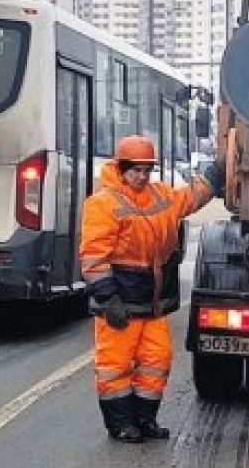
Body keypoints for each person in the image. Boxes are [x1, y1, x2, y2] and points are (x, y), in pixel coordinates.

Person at [79, 135, 225, 443]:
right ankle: (121, 425)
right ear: (121, 168)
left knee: (157, 361)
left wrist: (217, 174)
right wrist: (108, 299)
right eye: (136, 171)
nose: (142, 177)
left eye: (147, 170)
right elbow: (94, 256)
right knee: (115, 367)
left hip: (152, 304)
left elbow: (190, 198)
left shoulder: (160, 195)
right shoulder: (103, 203)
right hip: (120, 303)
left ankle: (145, 420)